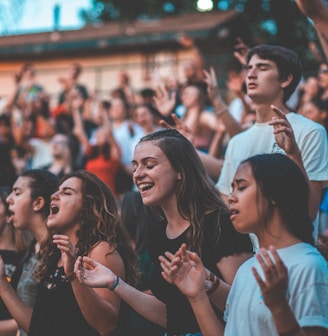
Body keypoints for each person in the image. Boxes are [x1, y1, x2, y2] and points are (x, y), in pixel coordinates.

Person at [74, 128, 253, 336]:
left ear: (180, 170)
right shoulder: (159, 232)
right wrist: (114, 282)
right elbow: (170, 315)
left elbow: (243, 306)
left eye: (149, 165)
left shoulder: (220, 224)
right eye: (135, 166)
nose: (138, 174)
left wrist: (207, 283)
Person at [162, 153, 328, 336]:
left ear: (274, 193)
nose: (231, 197)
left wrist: (279, 307)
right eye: (231, 189)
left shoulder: (309, 266)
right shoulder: (246, 269)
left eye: (241, 187)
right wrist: (197, 295)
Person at [215, 45, 328, 238]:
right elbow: (226, 201)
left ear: (286, 79)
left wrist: (294, 155)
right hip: (247, 261)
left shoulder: (309, 132)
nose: (251, 74)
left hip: (291, 258)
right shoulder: (237, 141)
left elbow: (308, 213)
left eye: (263, 68)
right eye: (249, 68)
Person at [27, 170, 138, 336]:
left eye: (66, 192)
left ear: (88, 205)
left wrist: (73, 274)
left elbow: (106, 326)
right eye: (57, 190)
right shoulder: (55, 254)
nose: (54, 195)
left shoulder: (100, 250)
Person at [0, 169, 58, 336]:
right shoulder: (33, 249)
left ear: (38, 203)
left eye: (17, 193)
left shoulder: (60, 253)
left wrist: (2, 284)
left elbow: (45, 326)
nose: (9, 199)